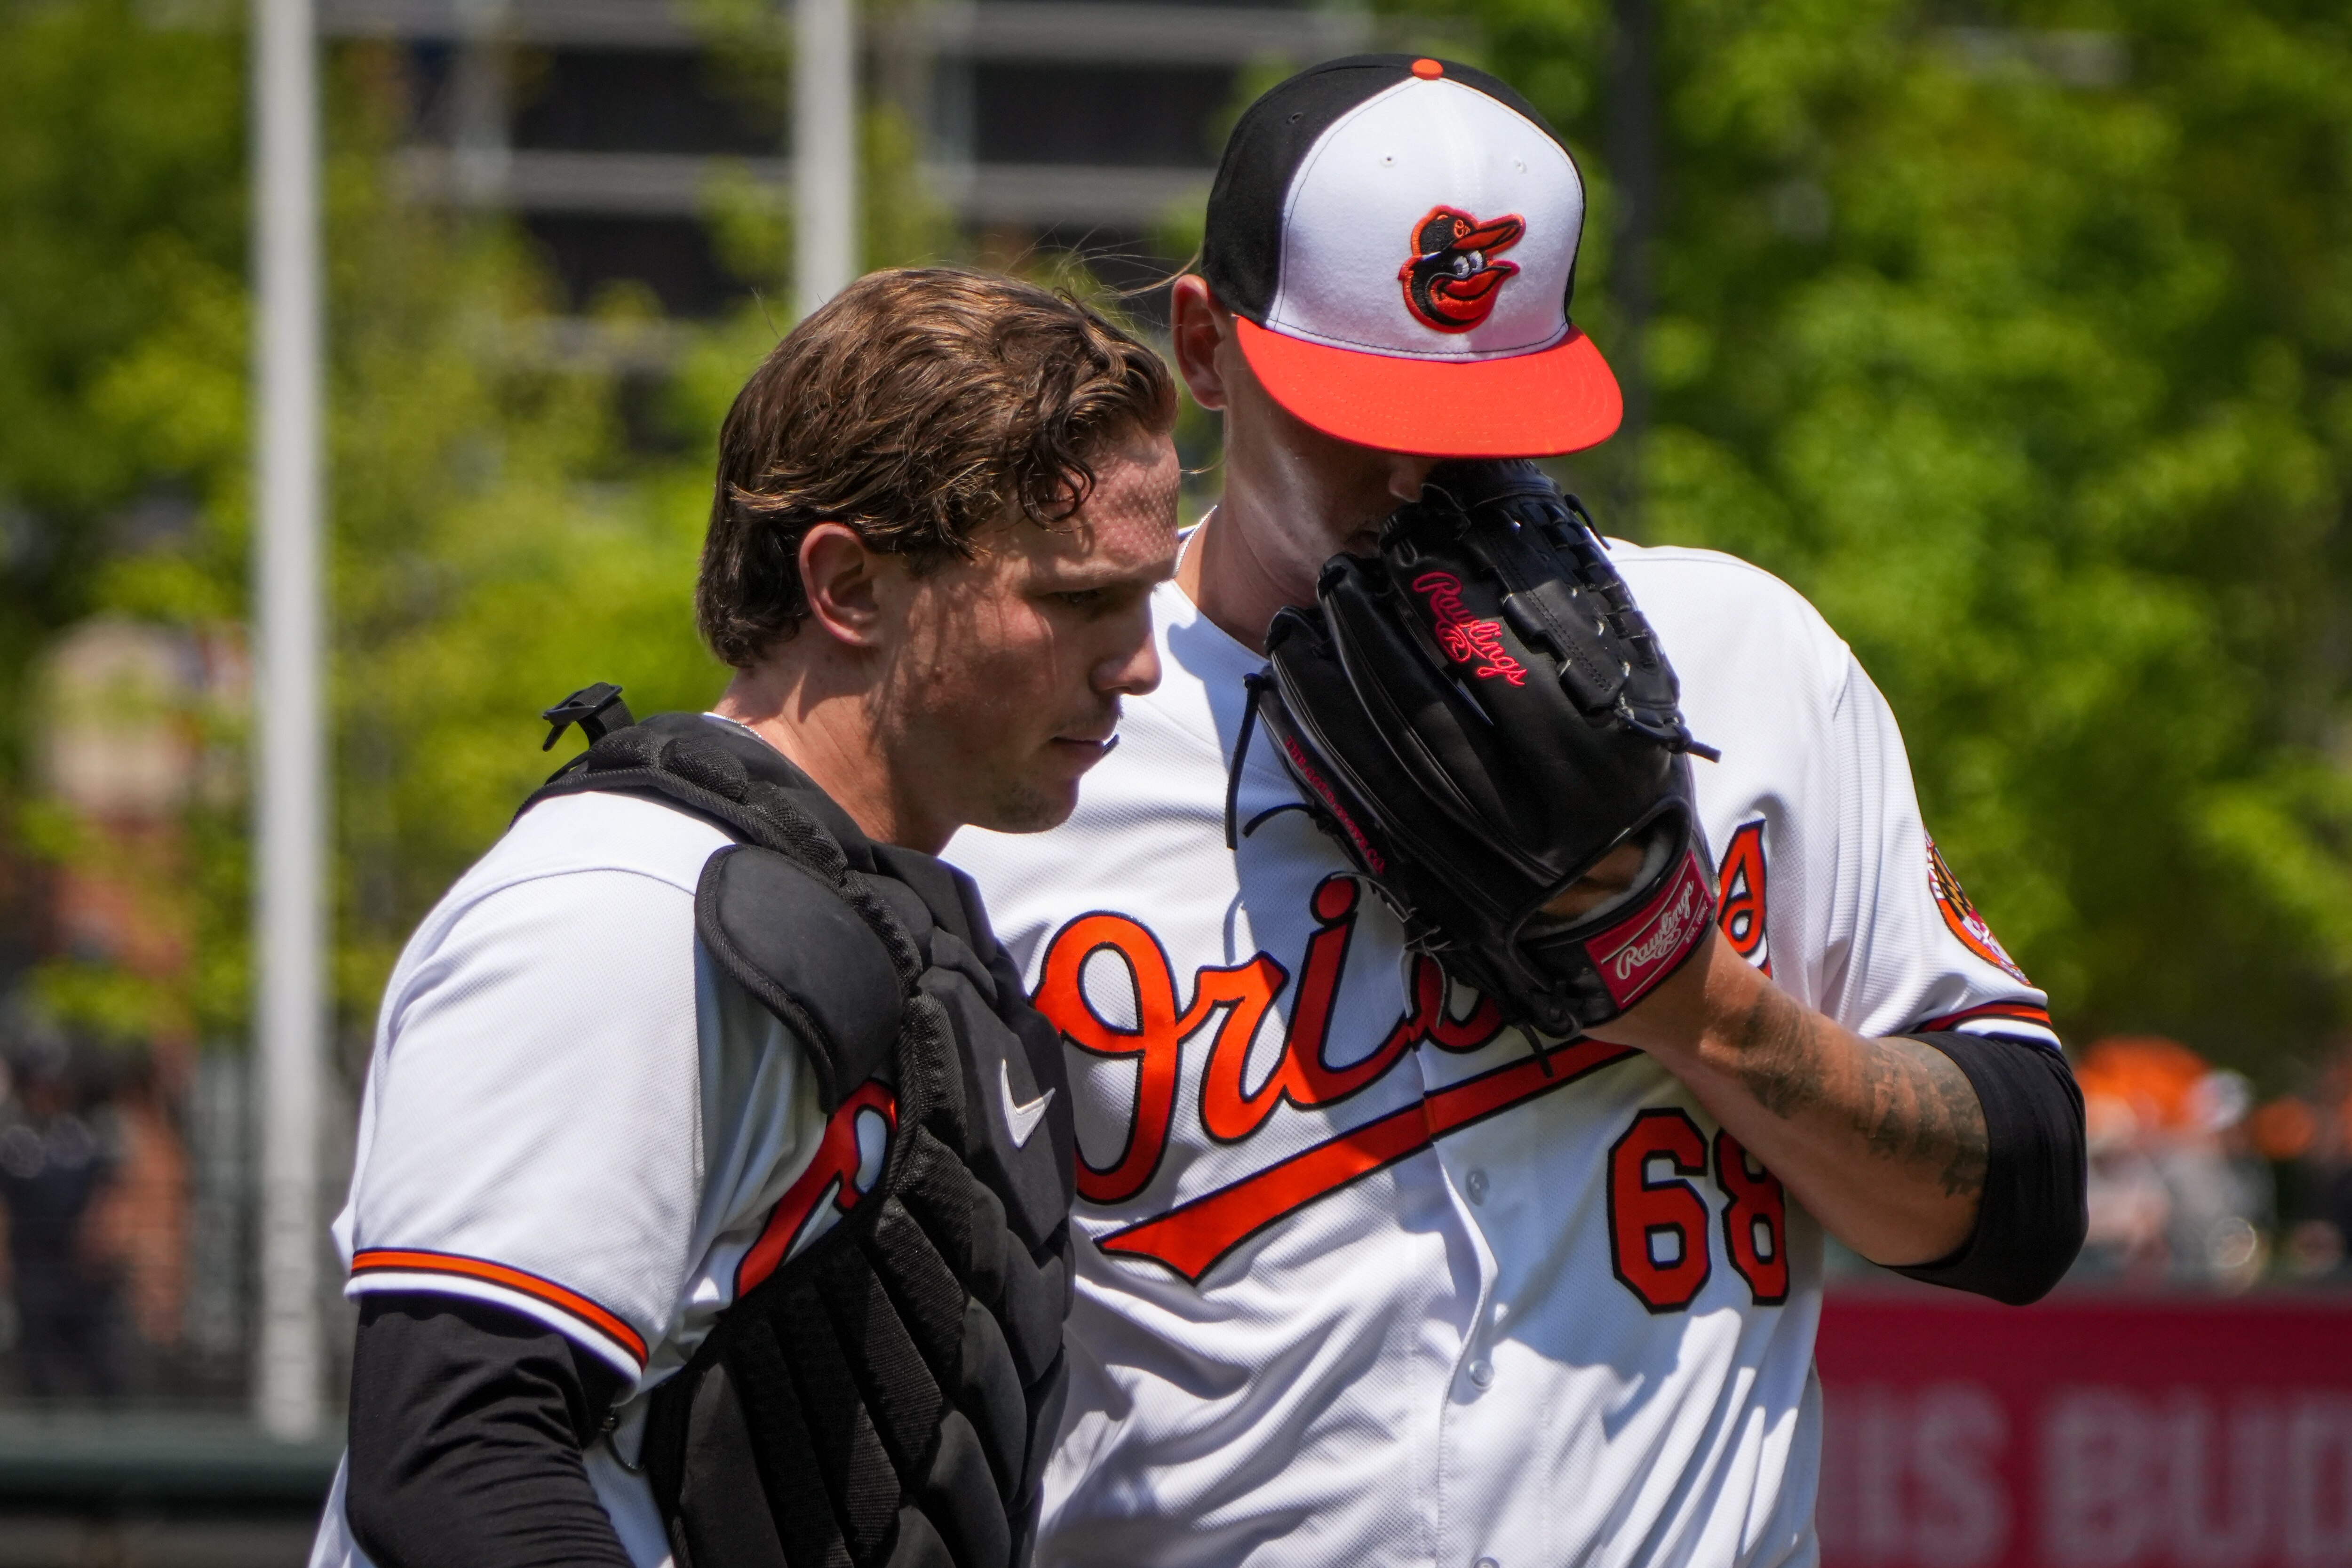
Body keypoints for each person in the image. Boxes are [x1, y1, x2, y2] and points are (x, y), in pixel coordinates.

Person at [945, 56, 2087, 1567]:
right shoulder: (1045, 739)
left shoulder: (1739, 664)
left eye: (1489, 414)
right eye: (1369, 412)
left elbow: (2022, 1201)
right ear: (1207, 350)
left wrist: (1701, 1007)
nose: (1429, 471)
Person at [308, 266, 1181, 1568]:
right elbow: (456, 1461)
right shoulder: (622, 914)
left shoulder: (881, 920)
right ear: (848, 586)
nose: (1141, 662)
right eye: (1073, 600)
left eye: (1146, 593)